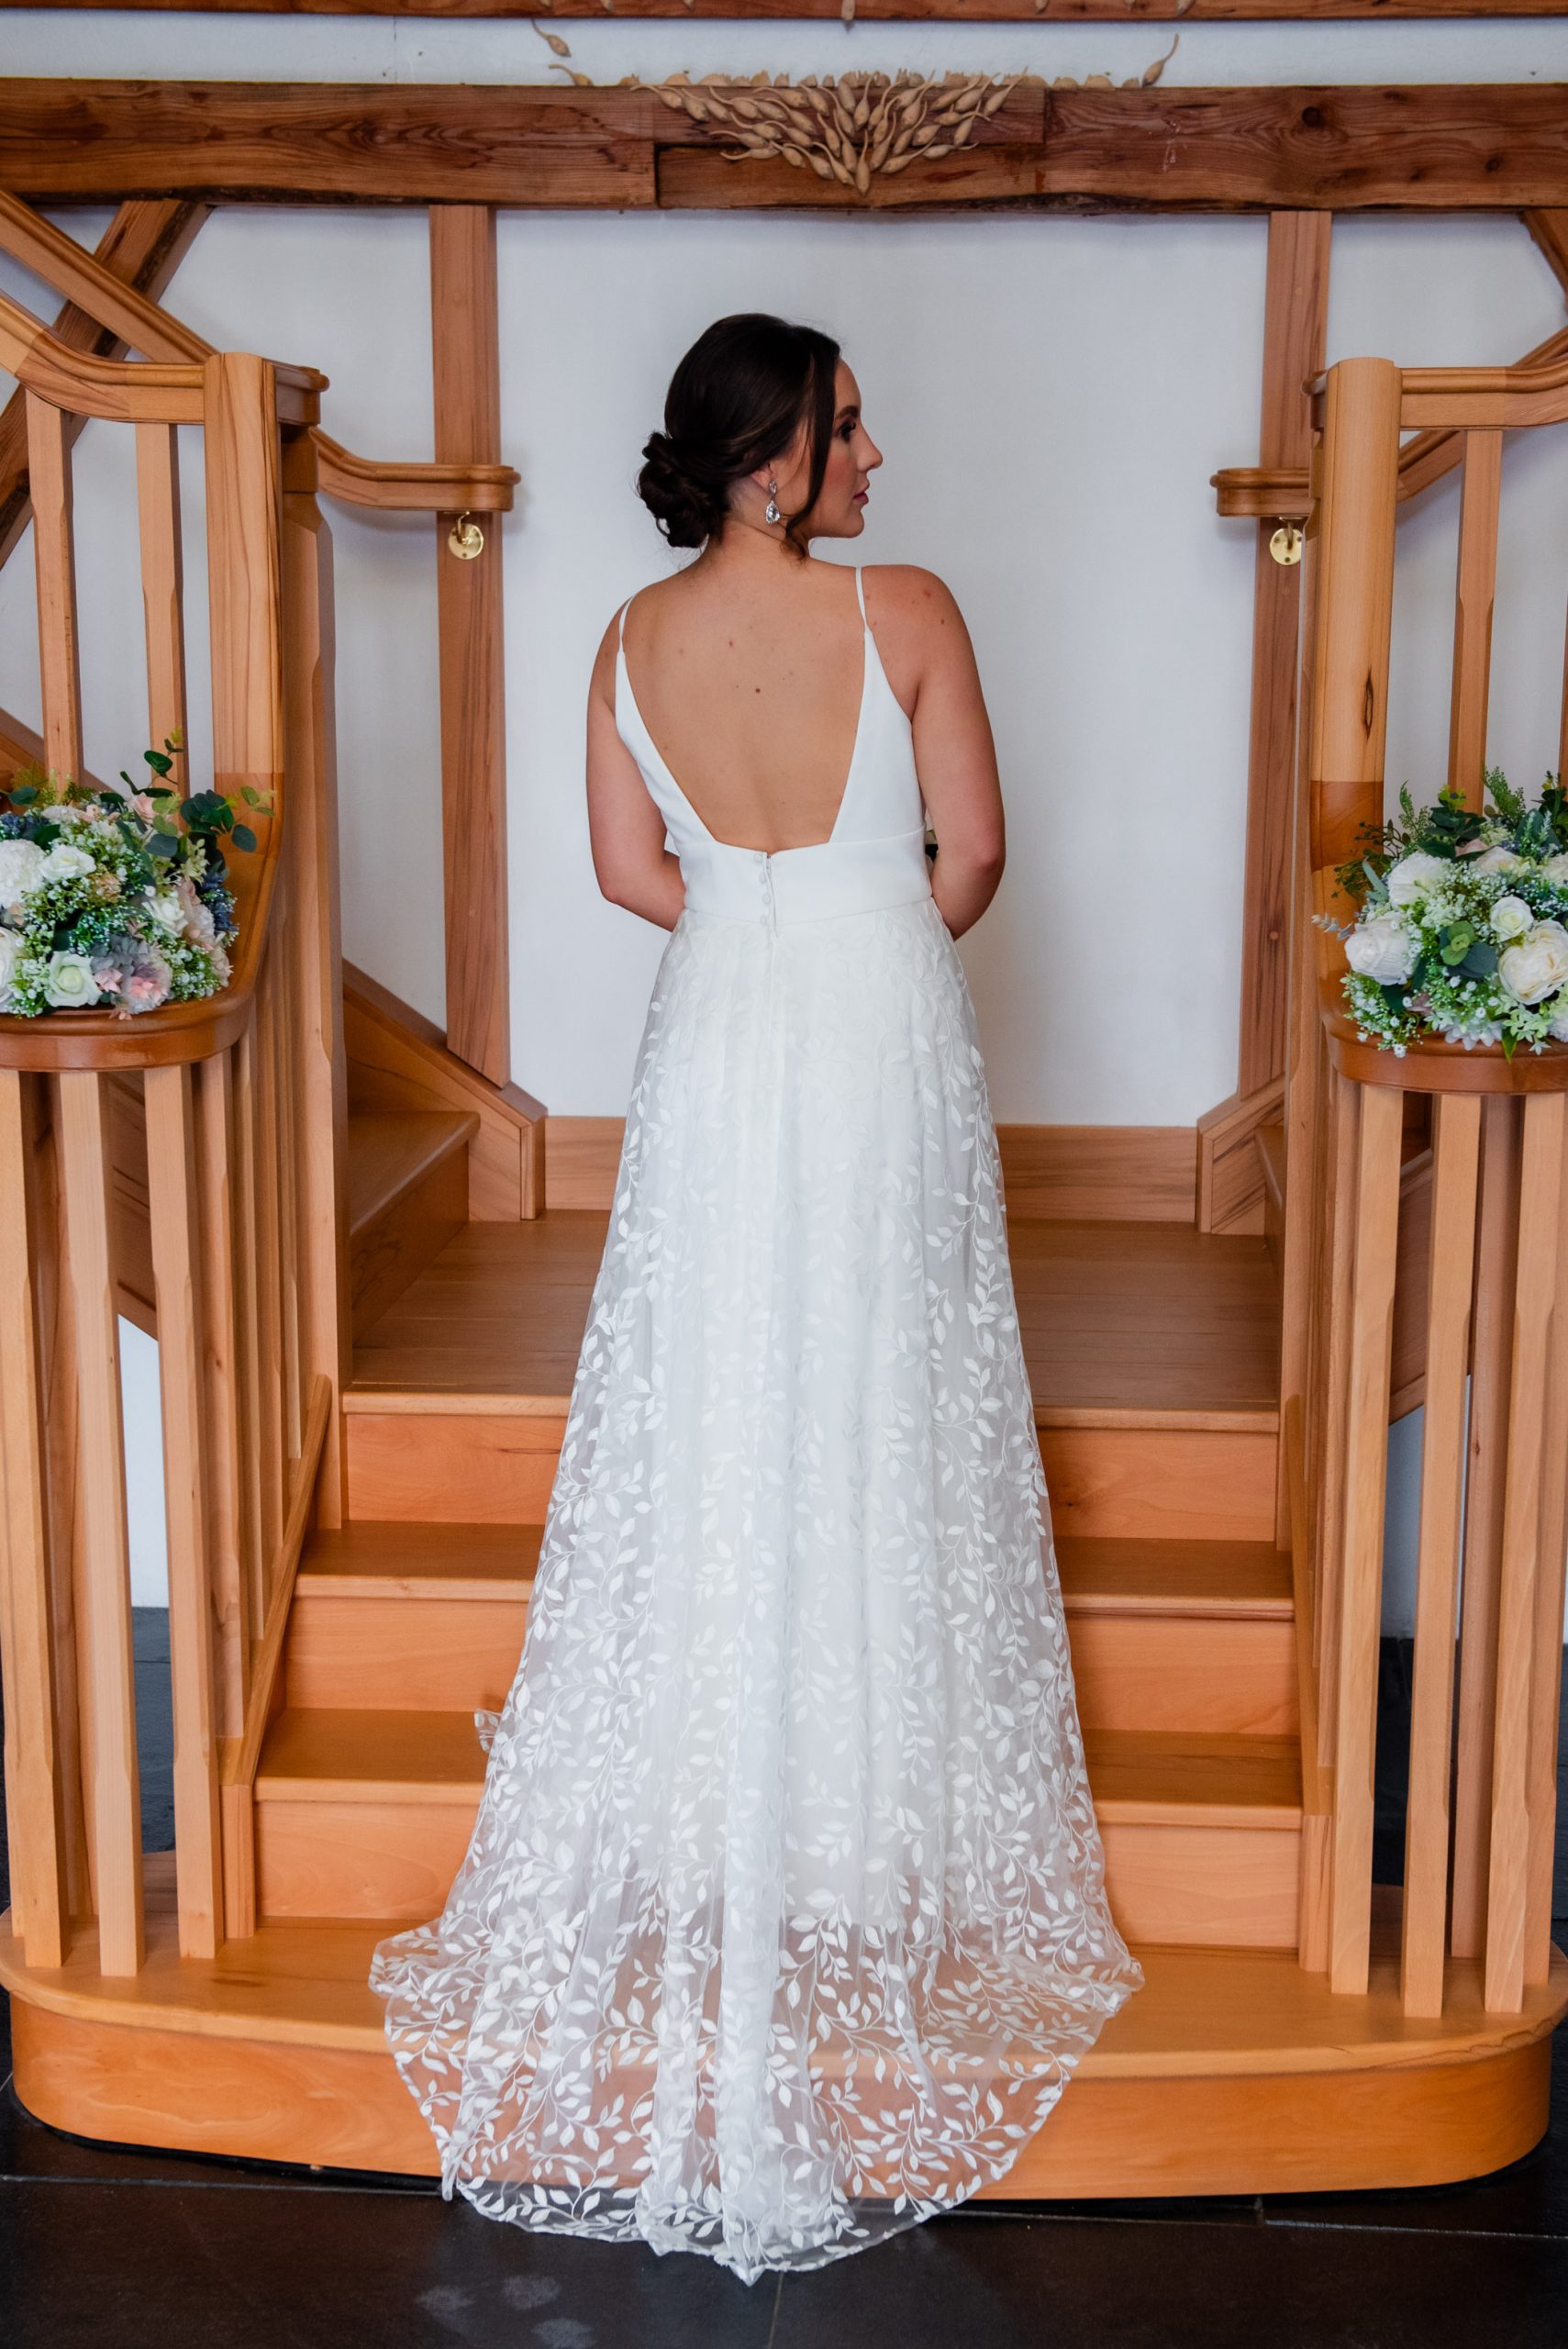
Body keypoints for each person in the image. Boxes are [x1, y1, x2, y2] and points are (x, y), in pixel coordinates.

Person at [370, 311, 1142, 2283]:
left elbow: (627, 871)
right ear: (773, 458)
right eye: (848, 430)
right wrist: (870, 936)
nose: (875, 458)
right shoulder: (909, 610)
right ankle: (860, 1816)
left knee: (722, 1382)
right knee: (875, 1385)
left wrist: (753, 919)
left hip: (714, 1027)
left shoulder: (625, 639)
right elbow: (977, 851)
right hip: (877, 1025)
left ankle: (722, 1800)